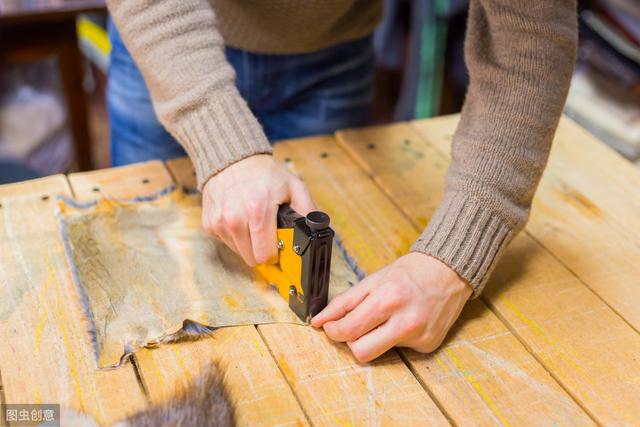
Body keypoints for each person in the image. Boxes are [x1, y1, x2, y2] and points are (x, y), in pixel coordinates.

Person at [106, 0, 577, 363]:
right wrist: (219, 140)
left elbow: (529, 43)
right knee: (140, 289)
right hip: (167, 39)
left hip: (335, 52)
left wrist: (451, 263)